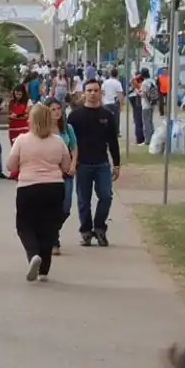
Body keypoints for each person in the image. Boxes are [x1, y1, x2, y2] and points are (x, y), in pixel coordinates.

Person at [7, 104, 71, 282]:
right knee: (48, 228)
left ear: (31, 120)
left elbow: (11, 166)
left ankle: (33, 253)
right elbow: (66, 166)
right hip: (54, 187)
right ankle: (44, 271)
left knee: (24, 225)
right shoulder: (58, 141)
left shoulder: (22, 140)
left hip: (28, 186)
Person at [68, 78, 121, 247]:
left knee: (106, 196)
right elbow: (69, 142)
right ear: (84, 93)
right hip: (82, 164)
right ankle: (86, 231)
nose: (92, 93)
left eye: (95, 90)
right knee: (84, 200)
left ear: (100, 93)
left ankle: (99, 227)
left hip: (102, 164)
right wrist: (70, 162)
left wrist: (117, 164)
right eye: (89, 90)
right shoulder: (75, 116)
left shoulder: (107, 115)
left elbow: (113, 141)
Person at [43, 97, 77, 255]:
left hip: (66, 173)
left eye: (58, 109)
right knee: (52, 207)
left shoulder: (67, 128)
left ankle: (50, 231)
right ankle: (53, 239)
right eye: (53, 110)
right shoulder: (44, 131)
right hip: (50, 174)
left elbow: (74, 147)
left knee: (65, 207)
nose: (57, 112)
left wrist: (73, 164)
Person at [101, 68, 124, 135]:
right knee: (116, 120)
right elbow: (120, 95)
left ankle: (106, 132)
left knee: (106, 119)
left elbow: (102, 92)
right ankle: (115, 133)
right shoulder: (118, 83)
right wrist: (121, 105)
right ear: (117, 74)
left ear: (110, 74)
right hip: (114, 103)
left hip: (106, 103)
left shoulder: (105, 82)